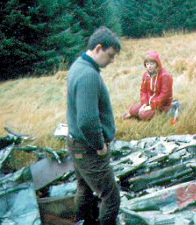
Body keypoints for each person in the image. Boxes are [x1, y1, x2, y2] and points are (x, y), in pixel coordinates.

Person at [66, 26, 120, 225]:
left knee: (85, 189)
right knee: (111, 198)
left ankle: (82, 221)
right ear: (98, 48)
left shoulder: (79, 65)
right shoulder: (88, 75)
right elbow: (87, 120)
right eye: (110, 55)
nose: (112, 60)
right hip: (89, 148)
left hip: (78, 144)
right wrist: (100, 145)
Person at [123, 51, 173, 120]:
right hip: (149, 102)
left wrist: (151, 106)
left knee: (143, 114)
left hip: (162, 105)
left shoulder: (165, 76)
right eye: (147, 64)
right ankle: (137, 114)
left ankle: (164, 113)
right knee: (132, 109)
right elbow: (143, 91)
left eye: (152, 64)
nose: (149, 66)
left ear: (157, 64)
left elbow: (164, 95)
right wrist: (145, 104)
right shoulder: (146, 75)